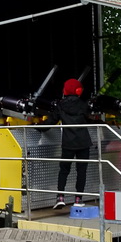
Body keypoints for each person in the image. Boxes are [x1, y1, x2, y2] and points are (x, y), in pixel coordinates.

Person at [47, 78, 93, 208]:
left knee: (64, 170)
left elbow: (51, 122)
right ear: (79, 91)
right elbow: (90, 120)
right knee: (81, 171)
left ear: (65, 90)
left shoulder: (61, 106)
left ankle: (60, 197)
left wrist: (37, 127)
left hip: (68, 143)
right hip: (84, 143)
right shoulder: (84, 105)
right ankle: (78, 199)